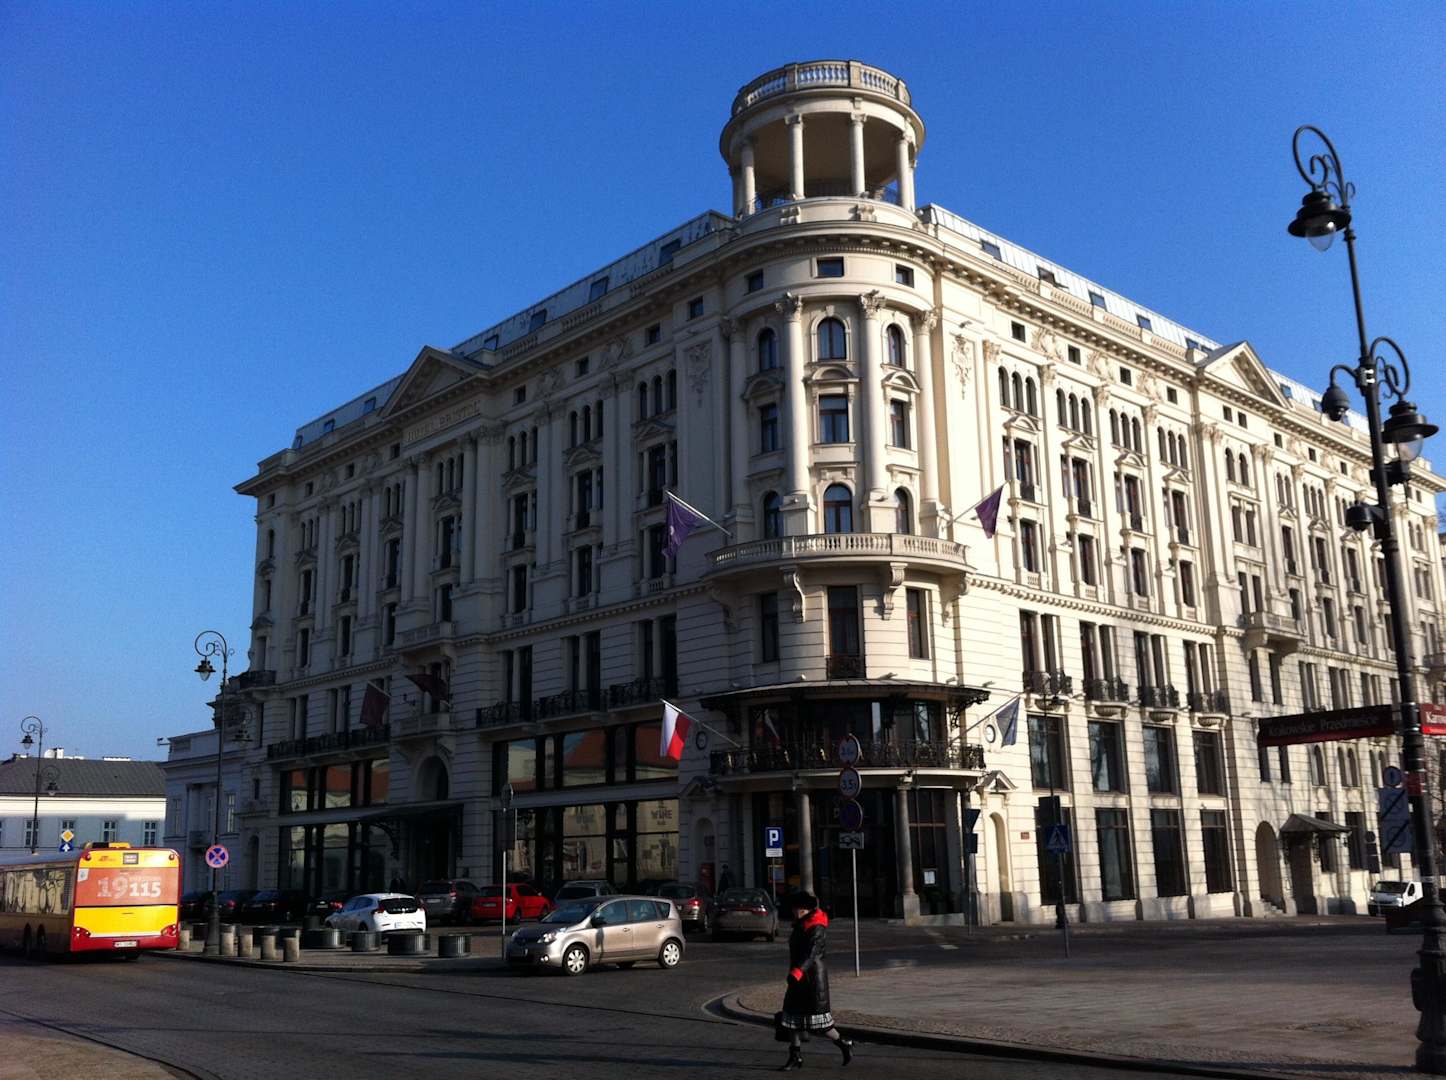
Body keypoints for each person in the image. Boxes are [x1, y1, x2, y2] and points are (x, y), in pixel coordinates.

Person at [776, 891, 852, 1070]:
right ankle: (795, 1056)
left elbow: (812, 953)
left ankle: (843, 1043)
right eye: (794, 908)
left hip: (812, 981)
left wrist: (798, 971)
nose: (794, 911)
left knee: (820, 1023)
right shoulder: (800, 924)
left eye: (797, 909)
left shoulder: (816, 926)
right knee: (791, 1018)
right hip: (798, 979)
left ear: (805, 909)